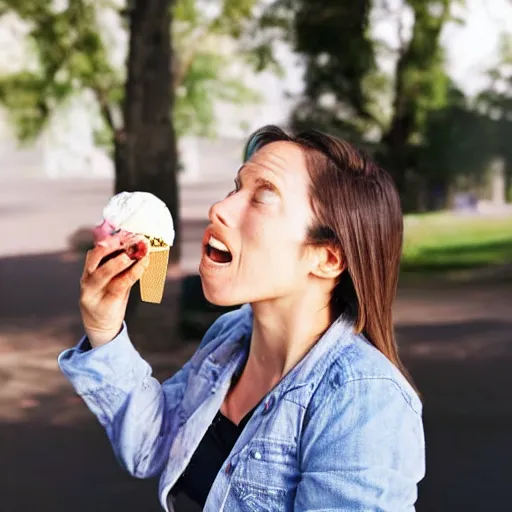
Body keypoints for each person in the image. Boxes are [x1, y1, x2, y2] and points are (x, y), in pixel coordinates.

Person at [58, 125, 426, 512]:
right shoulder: (231, 336)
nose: (219, 207)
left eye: (264, 195)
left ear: (327, 257)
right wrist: (104, 328)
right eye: (237, 188)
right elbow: (151, 446)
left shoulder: (363, 400)